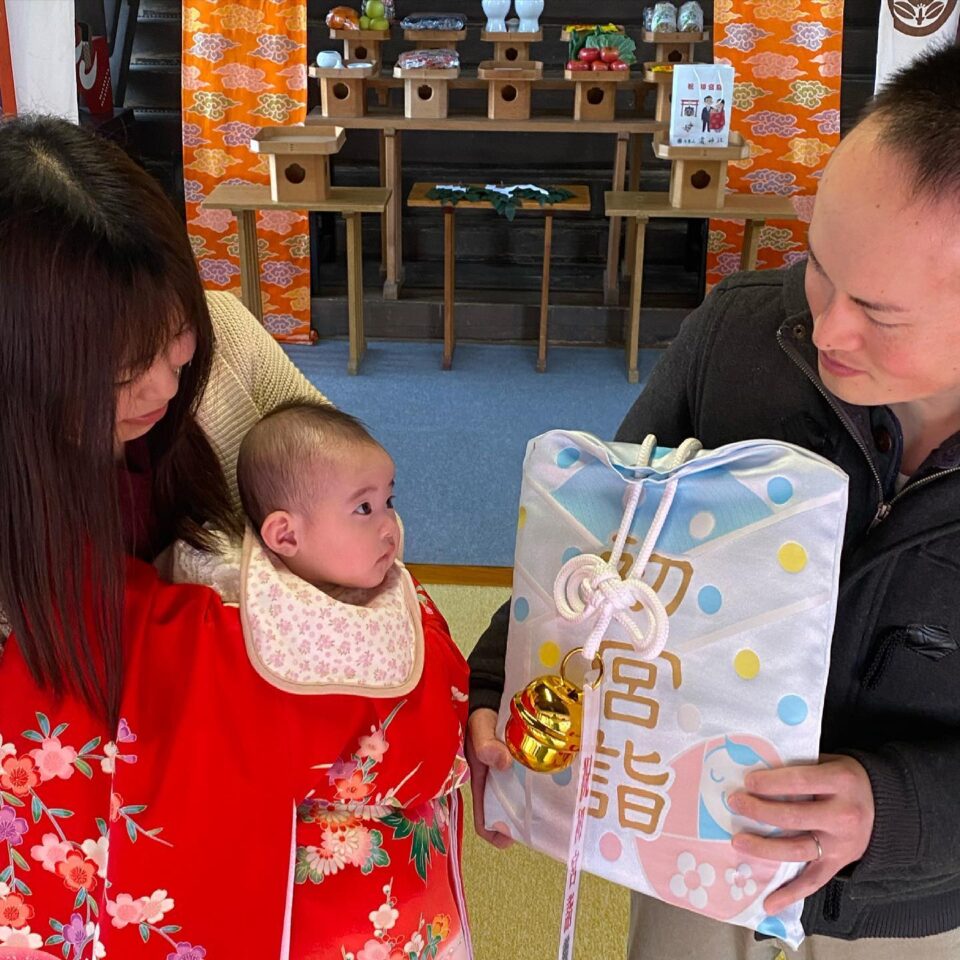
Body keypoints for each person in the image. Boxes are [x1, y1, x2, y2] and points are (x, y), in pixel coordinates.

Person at [466, 42, 960, 960]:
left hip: (910, 890)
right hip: (690, 833)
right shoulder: (742, 337)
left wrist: (891, 809)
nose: (826, 327)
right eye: (818, 265)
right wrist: (500, 680)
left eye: (878, 312)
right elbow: (601, 537)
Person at [0, 114, 452, 959]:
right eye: (118, 373)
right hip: (131, 824)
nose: (163, 388)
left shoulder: (228, 340)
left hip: (281, 773)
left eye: (175, 346)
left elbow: (342, 493)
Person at [198, 402, 469, 958]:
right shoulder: (244, 620)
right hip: (311, 874)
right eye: (363, 508)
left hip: (408, 857)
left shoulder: (398, 595)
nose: (390, 526)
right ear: (285, 534)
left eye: (389, 500)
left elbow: (449, 686)